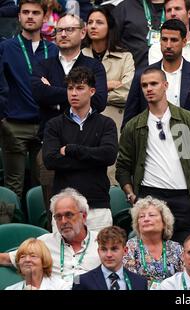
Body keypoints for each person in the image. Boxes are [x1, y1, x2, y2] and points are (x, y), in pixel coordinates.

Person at [116, 68, 190, 243]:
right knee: (150, 257)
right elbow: (122, 167)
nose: (148, 89)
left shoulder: (188, 119)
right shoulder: (134, 125)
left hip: (182, 196)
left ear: (165, 85)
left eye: (154, 84)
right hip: (149, 196)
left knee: (183, 257)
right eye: (144, 85)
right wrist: (132, 196)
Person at [32, 13, 107, 223]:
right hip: (51, 147)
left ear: (83, 33)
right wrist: (78, 96)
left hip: (86, 145)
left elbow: (99, 101)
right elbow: (38, 94)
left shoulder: (93, 65)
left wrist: (53, 93)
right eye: (59, 30)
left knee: (87, 214)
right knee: (56, 215)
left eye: (69, 30)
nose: (63, 34)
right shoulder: (42, 64)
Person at [42, 66, 118, 232]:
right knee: (64, 258)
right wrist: (93, 159)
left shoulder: (106, 124)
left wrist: (71, 150)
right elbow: (50, 160)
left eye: (79, 88)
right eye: (70, 88)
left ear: (91, 91)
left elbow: (109, 155)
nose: (74, 93)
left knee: (101, 257)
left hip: (97, 206)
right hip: (63, 208)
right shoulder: (54, 125)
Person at [0, 0, 58, 200]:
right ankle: (8, 230)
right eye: (25, 12)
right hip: (14, 125)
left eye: (35, 12)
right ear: (18, 16)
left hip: (46, 125)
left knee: (43, 185)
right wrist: (2, 118)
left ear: (44, 17)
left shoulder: (53, 50)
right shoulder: (6, 47)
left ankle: (43, 231)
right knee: (13, 185)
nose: (30, 16)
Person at [122, 18, 190, 127]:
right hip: (150, 139)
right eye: (164, 39)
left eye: (173, 40)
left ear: (184, 42)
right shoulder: (142, 76)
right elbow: (129, 122)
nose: (168, 45)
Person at [0, 188, 101, 284]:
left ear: (83, 216)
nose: (63, 221)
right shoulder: (44, 243)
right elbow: (6, 259)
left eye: (69, 215)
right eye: (58, 217)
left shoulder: (102, 243)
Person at [83, 6, 135, 185]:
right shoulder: (80, 56)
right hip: (84, 125)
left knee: (113, 177)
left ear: (109, 27)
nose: (93, 26)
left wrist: (91, 93)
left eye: (99, 22)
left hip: (115, 123)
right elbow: (72, 90)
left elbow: (128, 93)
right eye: (90, 22)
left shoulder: (125, 56)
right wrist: (107, 86)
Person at [123, 196, 184, 290]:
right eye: (141, 216)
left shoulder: (176, 248)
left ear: (164, 222)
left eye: (151, 215)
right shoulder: (131, 247)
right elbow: (130, 282)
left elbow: (183, 281)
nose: (146, 219)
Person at [72, 226, 148, 290]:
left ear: (125, 251)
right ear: (98, 251)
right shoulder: (82, 281)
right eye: (104, 249)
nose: (109, 255)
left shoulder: (140, 282)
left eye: (114, 249)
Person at [113, 0, 166, 69]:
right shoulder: (125, 7)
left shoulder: (176, 6)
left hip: (170, 74)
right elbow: (111, 42)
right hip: (132, 74)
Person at [5, 238, 71, 290]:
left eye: (33, 256)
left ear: (44, 261)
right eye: (22, 257)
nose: (27, 260)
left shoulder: (61, 287)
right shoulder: (10, 289)